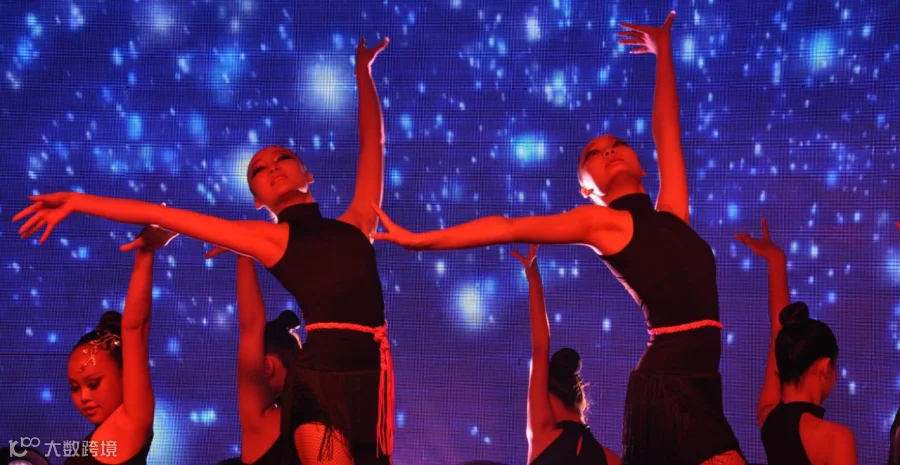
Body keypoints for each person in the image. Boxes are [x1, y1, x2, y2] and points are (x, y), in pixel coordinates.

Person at [369, 11, 743, 465]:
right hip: (671, 384)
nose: (608, 152)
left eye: (617, 145)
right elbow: (507, 226)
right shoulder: (600, 224)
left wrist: (663, 52)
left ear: (640, 164)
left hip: (702, 382)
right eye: (593, 155)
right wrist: (420, 240)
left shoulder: (674, 213)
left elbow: (668, 132)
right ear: (586, 188)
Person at [16, 36, 393, 465]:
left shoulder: (359, 221)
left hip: (372, 381)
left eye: (282, 159)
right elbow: (163, 214)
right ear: (257, 200)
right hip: (319, 387)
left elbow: (373, 144)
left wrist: (362, 74)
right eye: (259, 169)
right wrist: (77, 201)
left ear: (308, 174)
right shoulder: (268, 239)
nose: (272, 167)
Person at [736, 219, 857, 465]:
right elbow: (778, 332)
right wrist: (776, 259)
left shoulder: (768, 417)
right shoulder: (837, 439)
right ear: (824, 366)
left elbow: (778, 331)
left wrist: (776, 260)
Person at [64, 225, 175, 464]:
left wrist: (145, 253)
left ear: (126, 374)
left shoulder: (130, 424)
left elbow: (136, 329)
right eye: (74, 387)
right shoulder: (100, 437)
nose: (84, 396)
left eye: (93, 384)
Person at [512, 245, 620, 465]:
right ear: (580, 401)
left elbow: (540, 348)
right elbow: (540, 349)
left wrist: (533, 279)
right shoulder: (611, 459)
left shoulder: (544, 435)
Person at [234, 255, 302, 465]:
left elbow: (251, 326)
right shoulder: (333, 416)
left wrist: (244, 253)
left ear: (266, 367)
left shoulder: (263, 423)